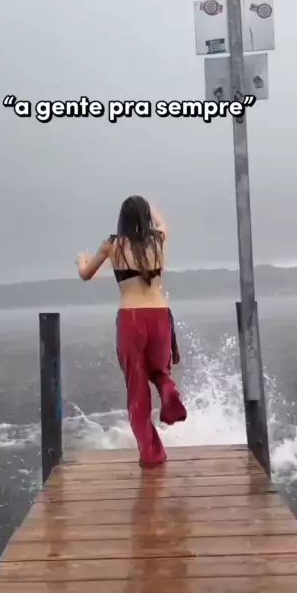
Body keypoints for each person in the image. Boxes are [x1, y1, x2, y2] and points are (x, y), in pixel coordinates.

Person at [76, 196, 187, 467]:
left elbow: (86, 274)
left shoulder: (112, 245)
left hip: (131, 318)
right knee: (159, 371)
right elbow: (163, 224)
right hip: (160, 316)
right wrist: (153, 209)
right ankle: (168, 390)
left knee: (137, 388)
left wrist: (81, 261)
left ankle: (151, 453)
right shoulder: (158, 240)